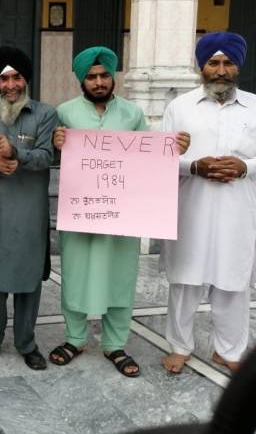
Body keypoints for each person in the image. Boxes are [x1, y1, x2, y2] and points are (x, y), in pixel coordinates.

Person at [48, 46, 189, 378]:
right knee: (76, 274)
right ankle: (75, 339)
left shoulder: (132, 113)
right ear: (82, 80)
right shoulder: (65, 112)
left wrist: (174, 148)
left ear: (113, 77)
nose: (98, 82)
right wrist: (56, 144)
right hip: (81, 214)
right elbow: (55, 159)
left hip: (123, 218)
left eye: (104, 75)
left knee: (121, 277)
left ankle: (115, 344)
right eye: (92, 77)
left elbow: (148, 157)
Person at [161, 31, 255, 375]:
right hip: (191, 209)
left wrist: (246, 166)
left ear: (237, 66)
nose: (220, 70)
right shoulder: (179, 107)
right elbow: (159, 160)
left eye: (227, 63)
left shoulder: (255, 106)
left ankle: (228, 350)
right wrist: (193, 165)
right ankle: (180, 347)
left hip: (238, 211)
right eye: (213, 63)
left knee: (233, 281)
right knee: (185, 280)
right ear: (202, 66)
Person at [0, 46, 56, 370]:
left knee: (28, 279)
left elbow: (48, 156)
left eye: (16, 77)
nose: (10, 85)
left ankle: (26, 342)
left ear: (25, 80)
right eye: (4, 79)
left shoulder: (44, 114)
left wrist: (15, 152)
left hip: (28, 214)